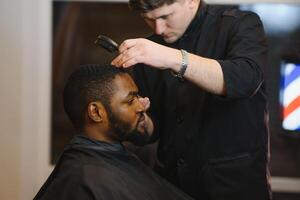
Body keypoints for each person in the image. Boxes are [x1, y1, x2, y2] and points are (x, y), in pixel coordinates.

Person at [111, 0, 271, 199]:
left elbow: (245, 80)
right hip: (172, 186)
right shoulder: (152, 50)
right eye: (149, 20)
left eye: (165, 16)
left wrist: (173, 58)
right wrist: (141, 119)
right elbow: (154, 130)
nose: (159, 29)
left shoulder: (240, 24)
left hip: (235, 186)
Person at [34, 64, 194, 200]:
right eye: (131, 100)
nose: (141, 106)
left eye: (138, 96)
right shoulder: (83, 180)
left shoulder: (106, 160)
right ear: (96, 112)